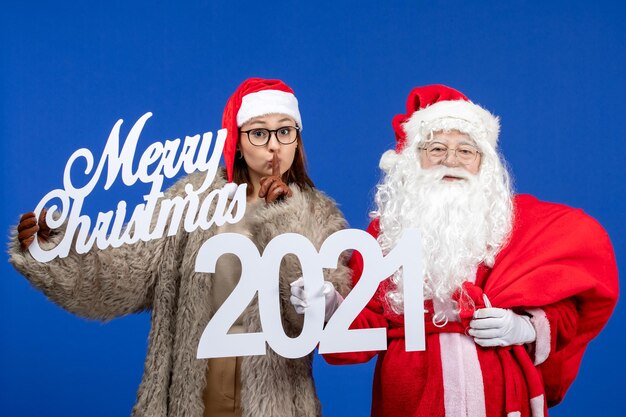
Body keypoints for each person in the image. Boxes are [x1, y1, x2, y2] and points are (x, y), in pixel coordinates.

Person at [10, 77, 351, 417]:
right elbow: (124, 274)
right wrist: (58, 248)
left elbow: (317, 314)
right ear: (237, 141)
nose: (274, 145)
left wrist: (285, 217)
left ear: (297, 139)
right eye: (259, 132)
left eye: (285, 131)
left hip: (275, 397)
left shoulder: (319, 213)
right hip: (193, 391)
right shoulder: (191, 200)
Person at [291, 85, 618, 417]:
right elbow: (367, 328)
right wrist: (330, 306)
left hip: (501, 392)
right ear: (413, 159)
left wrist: (525, 326)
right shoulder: (385, 235)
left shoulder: (513, 225)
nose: (451, 160)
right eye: (437, 148)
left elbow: (567, 304)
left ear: (484, 163)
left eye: (466, 150)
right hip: (413, 395)